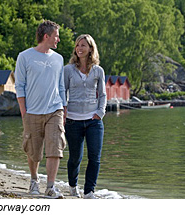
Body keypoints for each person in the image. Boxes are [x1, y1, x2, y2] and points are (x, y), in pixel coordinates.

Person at [15, 20, 67, 199]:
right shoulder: (25, 57)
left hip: (55, 110)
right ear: (46, 36)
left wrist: (64, 109)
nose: (58, 40)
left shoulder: (58, 59)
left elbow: (61, 86)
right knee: (33, 150)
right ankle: (34, 180)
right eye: (56, 36)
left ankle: (51, 186)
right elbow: (19, 86)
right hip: (32, 112)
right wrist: (24, 112)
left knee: (55, 147)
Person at [64, 34, 107, 199]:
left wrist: (100, 113)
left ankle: (89, 191)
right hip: (73, 120)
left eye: (83, 45)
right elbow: (63, 91)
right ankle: (73, 186)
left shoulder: (98, 70)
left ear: (90, 48)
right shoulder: (68, 69)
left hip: (93, 120)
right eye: (77, 45)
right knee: (75, 157)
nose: (79, 48)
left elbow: (102, 94)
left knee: (95, 157)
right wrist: (64, 110)